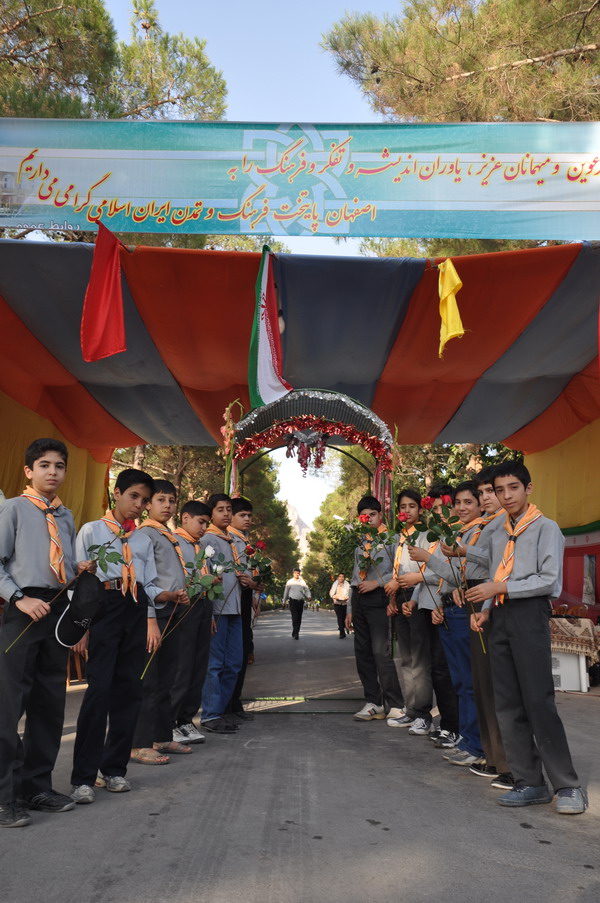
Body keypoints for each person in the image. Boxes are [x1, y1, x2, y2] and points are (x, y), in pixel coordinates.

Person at [466, 460, 586, 814]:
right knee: (507, 702)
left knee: (538, 700)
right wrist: (487, 608)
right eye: (499, 490)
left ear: (528, 488)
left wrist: (499, 589)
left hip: (529, 613)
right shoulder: (499, 531)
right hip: (500, 615)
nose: (506, 496)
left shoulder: (546, 528)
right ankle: (529, 782)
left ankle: (567, 785)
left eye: (513, 488)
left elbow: (549, 580)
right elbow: (495, 572)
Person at [0, 438, 91, 827]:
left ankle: (36, 787)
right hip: (22, 612)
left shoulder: (65, 516)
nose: (52, 472)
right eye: (44, 465)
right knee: (9, 707)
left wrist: (77, 571)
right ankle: (4, 797)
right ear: (28, 471)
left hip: (57, 611)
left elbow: (61, 564)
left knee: (49, 703)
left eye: (59, 465)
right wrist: (19, 599)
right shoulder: (13, 509)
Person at [70, 468, 159, 803]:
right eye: (133, 496)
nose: (139, 505)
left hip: (134, 606)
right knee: (99, 690)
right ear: (116, 493)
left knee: (129, 689)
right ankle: (83, 777)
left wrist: (152, 616)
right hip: (103, 606)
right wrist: (80, 626)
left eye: (144, 500)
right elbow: (77, 581)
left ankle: (114, 769)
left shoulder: (143, 539)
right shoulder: (92, 530)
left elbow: (149, 582)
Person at [409, 481, 485, 768]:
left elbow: (472, 573)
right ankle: (467, 740)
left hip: (471, 609)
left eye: (468, 502)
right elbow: (454, 578)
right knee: (460, 681)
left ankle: (476, 743)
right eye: (458, 503)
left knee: (470, 681)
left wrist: (429, 559)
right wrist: (441, 601)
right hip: (449, 608)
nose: (461, 508)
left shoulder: (482, 532)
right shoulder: (457, 533)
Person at [131, 480, 192, 764]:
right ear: (148, 504)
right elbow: (141, 581)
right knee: (149, 679)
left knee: (167, 677)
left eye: (172, 501)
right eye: (160, 500)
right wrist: (151, 618)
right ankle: (139, 743)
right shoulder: (145, 535)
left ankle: (162, 736)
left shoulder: (166, 534)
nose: (167, 506)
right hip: (154, 612)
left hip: (172, 609)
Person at [401, 485, 459, 741]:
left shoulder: (456, 535)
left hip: (443, 607)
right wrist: (414, 599)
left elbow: (451, 574)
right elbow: (427, 574)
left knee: (443, 670)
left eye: (442, 507)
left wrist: (418, 576)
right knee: (430, 666)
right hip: (426, 605)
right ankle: (440, 722)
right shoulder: (436, 536)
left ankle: (452, 725)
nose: (438, 513)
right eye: (434, 509)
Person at [346, 496, 405, 722]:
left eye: (372, 514)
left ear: (381, 515)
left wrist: (377, 583)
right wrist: (350, 607)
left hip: (380, 597)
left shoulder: (392, 539)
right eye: (364, 516)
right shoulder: (361, 541)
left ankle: (396, 705)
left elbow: (399, 571)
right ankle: (374, 703)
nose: (368, 518)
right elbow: (354, 574)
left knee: (381, 652)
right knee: (363, 652)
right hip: (359, 598)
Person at [384, 488, 431, 728]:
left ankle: (423, 714)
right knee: (406, 658)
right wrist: (392, 600)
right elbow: (397, 569)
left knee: (420, 660)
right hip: (401, 594)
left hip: (418, 595)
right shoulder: (400, 536)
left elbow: (428, 570)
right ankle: (411, 710)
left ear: (420, 509)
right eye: (403, 507)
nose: (407, 511)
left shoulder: (426, 534)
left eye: (412, 506)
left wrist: (411, 592)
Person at [200, 493, 244, 735]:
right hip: (217, 610)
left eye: (229, 509)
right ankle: (211, 714)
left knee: (234, 663)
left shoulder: (232, 540)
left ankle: (223, 709)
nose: (226, 514)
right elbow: (205, 576)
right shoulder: (208, 539)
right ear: (211, 514)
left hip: (234, 608)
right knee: (215, 664)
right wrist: (209, 613)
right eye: (220, 510)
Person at [171, 500, 212, 745]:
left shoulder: (201, 546)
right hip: (184, 606)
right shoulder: (174, 542)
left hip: (203, 604)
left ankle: (186, 719)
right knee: (182, 666)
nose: (204, 528)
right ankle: (170, 721)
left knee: (198, 666)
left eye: (206, 524)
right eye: (201, 522)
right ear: (185, 518)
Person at [225, 497, 260, 722]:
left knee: (243, 649)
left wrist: (255, 586)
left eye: (249, 515)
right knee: (229, 654)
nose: (247, 519)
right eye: (242, 515)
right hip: (229, 600)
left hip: (244, 598)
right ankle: (224, 705)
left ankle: (235, 702)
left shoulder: (245, 540)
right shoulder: (225, 539)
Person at [283, 568, 310, 639]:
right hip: (292, 602)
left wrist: (309, 596)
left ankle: (295, 631)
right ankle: (296, 633)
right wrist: (284, 601)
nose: (296, 574)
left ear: (299, 574)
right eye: (295, 573)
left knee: (299, 617)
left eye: (298, 573)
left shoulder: (302, 582)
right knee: (294, 617)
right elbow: (286, 592)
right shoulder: (289, 582)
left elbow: (306, 590)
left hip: (300, 602)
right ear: (293, 573)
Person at [329, 573, 351, 638]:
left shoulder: (347, 584)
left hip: (345, 603)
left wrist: (347, 597)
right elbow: (331, 593)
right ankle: (342, 632)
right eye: (340, 576)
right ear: (338, 578)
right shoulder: (335, 584)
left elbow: (350, 593)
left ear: (344, 578)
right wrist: (334, 596)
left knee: (344, 617)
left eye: (342, 577)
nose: (341, 578)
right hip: (337, 603)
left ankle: (345, 626)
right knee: (339, 618)